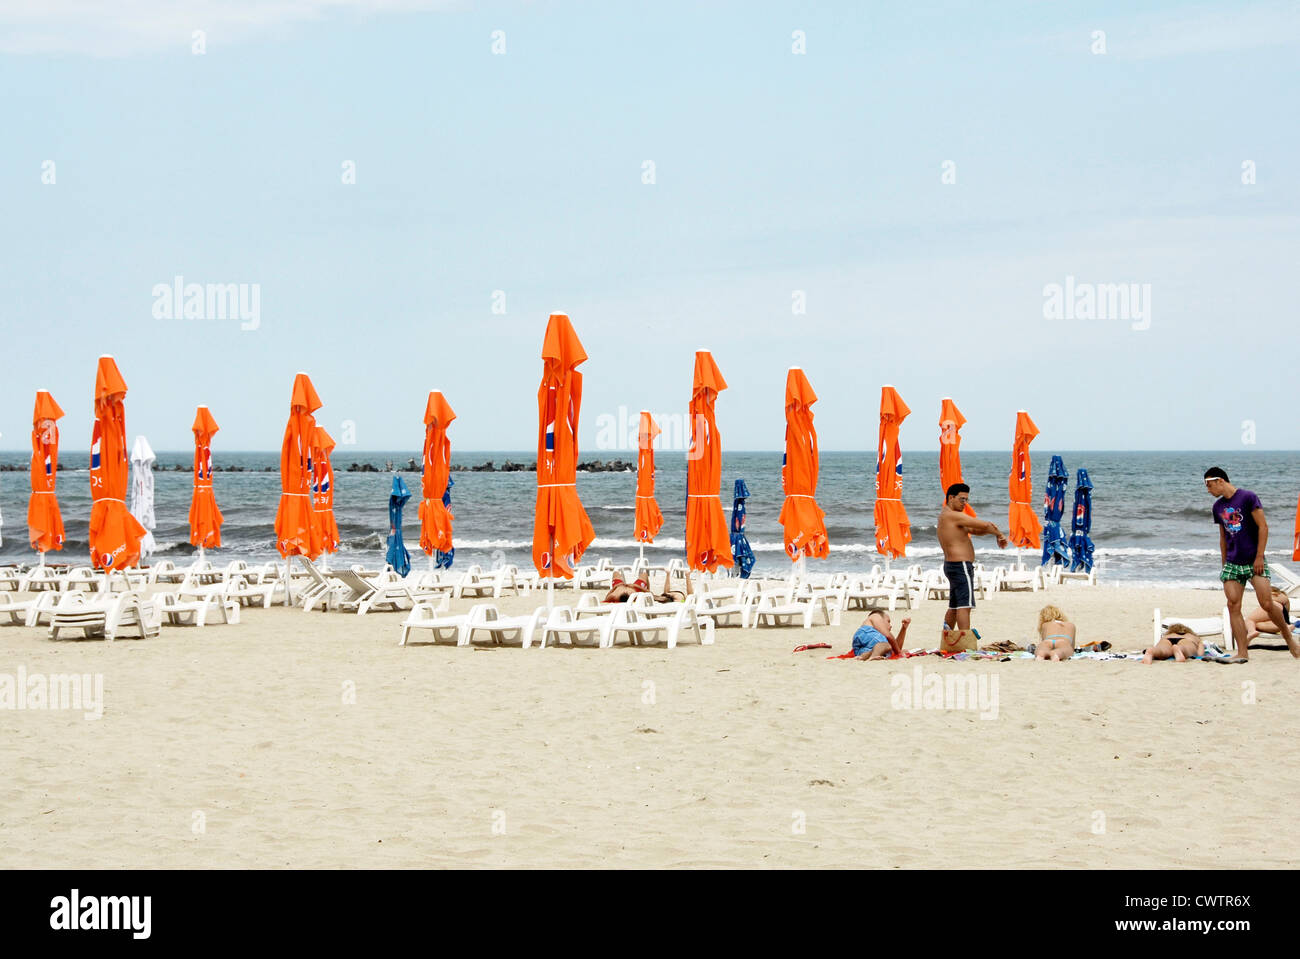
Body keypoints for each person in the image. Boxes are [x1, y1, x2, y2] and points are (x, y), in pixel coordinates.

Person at [1203, 467, 1299, 660]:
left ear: (1220, 480)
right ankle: (1242, 652)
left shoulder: (1248, 497)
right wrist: (1224, 564)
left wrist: (1259, 557)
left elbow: (1263, 526)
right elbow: (1223, 537)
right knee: (1233, 605)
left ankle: (1288, 638)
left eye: (1209, 485)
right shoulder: (1217, 507)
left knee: (1266, 603)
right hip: (1232, 562)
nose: (1208, 490)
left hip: (1254, 559)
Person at [937, 483, 1008, 640]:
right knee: (965, 605)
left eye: (967, 500)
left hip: (952, 566)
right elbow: (985, 524)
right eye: (962, 499)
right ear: (951, 498)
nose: (965, 503)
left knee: (954, 606)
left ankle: (947, 638)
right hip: (960, 565)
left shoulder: (948, 517)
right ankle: (965, 640)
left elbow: (976, 529)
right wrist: (1000, 535)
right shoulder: (952, 515)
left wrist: (991, 531)